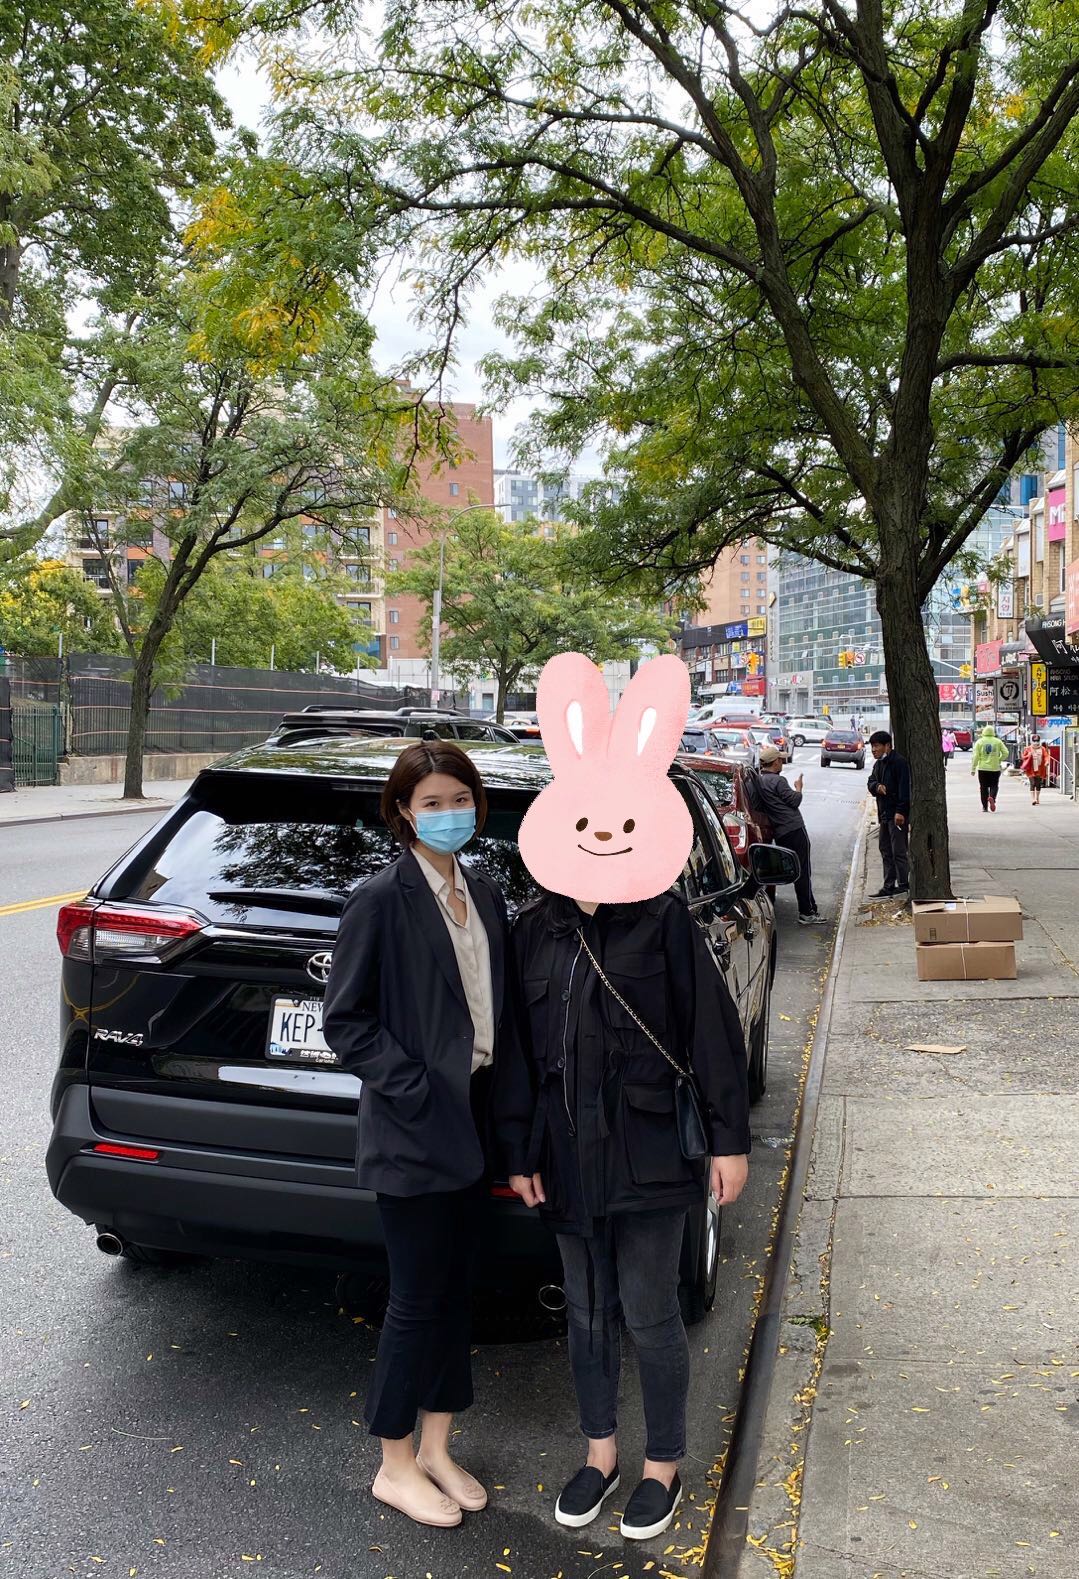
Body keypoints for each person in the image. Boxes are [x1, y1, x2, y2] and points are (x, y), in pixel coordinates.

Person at [497, 649, 751, 1544]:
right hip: (565, 1157)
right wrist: (519, 1152)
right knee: (587, 1313)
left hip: (648, 1156)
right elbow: (518, 1055)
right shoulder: (534, 929)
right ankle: (599, 1453)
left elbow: (712, 1037)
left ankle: (661, 1466)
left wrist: (728, 1140)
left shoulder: (666, 921)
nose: (601, 834)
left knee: (650, 1311)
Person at [322, 741, 510, 1530]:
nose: (447, 813)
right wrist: (414, 1084)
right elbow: (345, 1021)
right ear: (403, 811)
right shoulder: (380, 898)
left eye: (458, 798)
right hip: (411, 1127)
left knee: (457, 1291)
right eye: (430, 802)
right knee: (415, 1297)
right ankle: (393, 1462)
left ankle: (436, 1446)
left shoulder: (484, 892)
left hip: (476, 1120)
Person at [749, 744, 827, 925]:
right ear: (775, 762)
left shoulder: (758, 781)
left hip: (780, 832)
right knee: (803, 870)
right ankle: (806, 911)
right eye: (781, 760)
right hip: (793, 828)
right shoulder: (778, 781)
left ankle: (810, 908)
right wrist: (799, 787)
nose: (782, 763)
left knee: (794, 869)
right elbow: (795, 800)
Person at [867, 731, 911, 896]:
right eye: (872, 746)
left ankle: (903, 884)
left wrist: (901, 811)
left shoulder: (899, 763)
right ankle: (888, 885)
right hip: (884, 813)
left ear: (887, 746)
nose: (873, 750)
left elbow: (905, 789)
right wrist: (876, 786)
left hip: (896, 815)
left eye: (876, 746)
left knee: (898, 850)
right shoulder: (879, 764)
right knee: (885, 849)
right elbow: (871, 781)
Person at [970, 723, 1010, 812]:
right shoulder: (998, 741)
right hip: (995, 768)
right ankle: (992, 797)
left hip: (982, 768)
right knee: (994, 785)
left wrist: (973, 769)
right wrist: (999, 759)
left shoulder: (979, 742)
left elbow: (975, 756)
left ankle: (985, 807)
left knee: (983, 787)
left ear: (983, 732)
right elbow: (1006, 753)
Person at [1020, 733, 1051, 805]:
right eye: (1034, 741)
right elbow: (1023, 757)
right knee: (1032, 783)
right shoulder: (1028, 749)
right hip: (1030, 769)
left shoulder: (1042, 749)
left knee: (1038, 784)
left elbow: (1046, 756)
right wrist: (1028, 755)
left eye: (1037, 741)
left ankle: (1037, 798)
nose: (1036, 742)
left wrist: (1046, 762)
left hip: (1040, 769)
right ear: (1032, 741)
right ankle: (1033, 799)